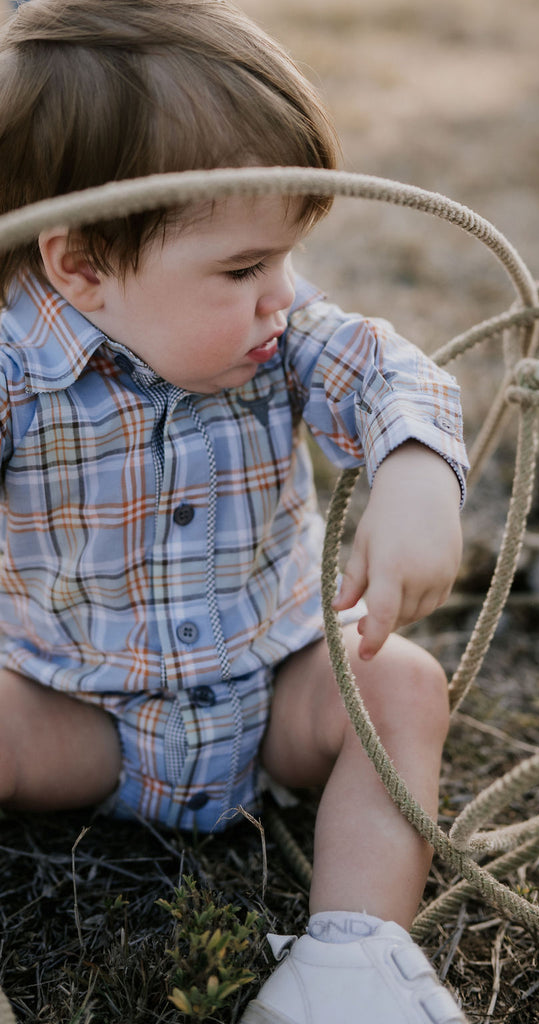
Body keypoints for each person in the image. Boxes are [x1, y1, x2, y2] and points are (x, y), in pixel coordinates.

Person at [0, 2, 469, 1021]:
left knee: (397, 685)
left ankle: (349, 960)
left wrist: (416, 470)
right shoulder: (13, 372)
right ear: (79, 267)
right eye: (244, 267)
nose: (282, 294)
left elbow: (390, 373)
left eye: (288, 257)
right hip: (77, 714)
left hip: (274, 695)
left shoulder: (281, 334)